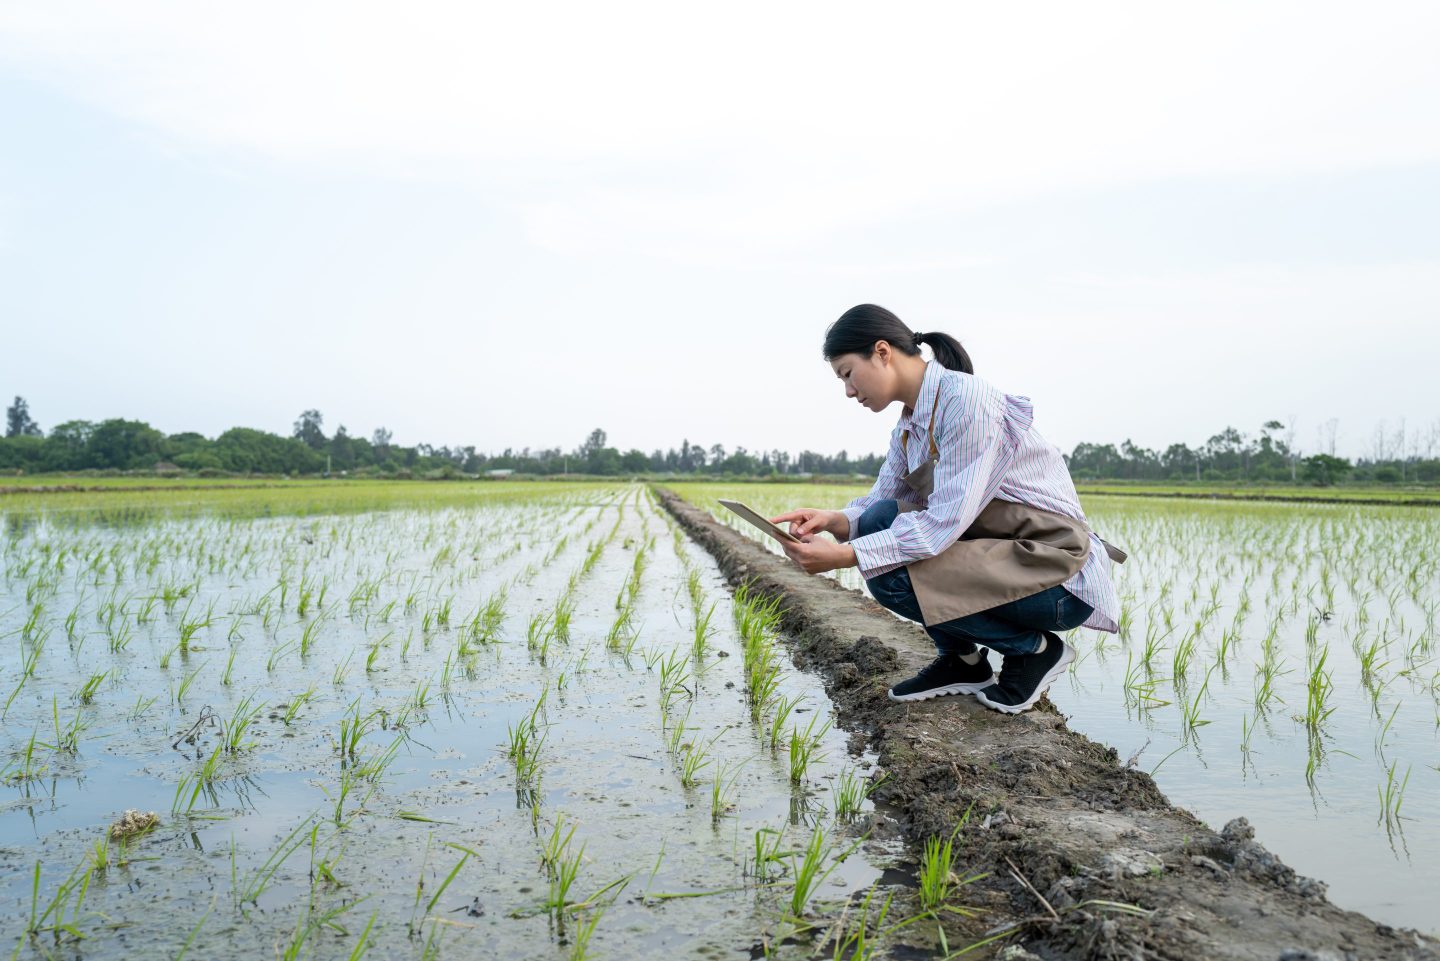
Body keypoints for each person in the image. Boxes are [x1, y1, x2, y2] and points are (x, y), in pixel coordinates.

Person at [770, 304, 1124, 714]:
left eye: (848, 374)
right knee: (876, 522)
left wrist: (846, 556)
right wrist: (833, 520)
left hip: (1054, 574)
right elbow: (881, 500)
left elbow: (941, 526)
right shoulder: (911, 422)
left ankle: (1033, 651)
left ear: (882, 352)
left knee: (884, 570)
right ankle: (964, 661)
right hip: (1003, 558)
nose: (849, 391)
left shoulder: (967, 402)